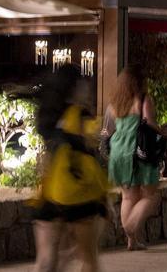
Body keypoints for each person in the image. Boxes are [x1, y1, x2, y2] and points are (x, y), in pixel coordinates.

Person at [33, 64, 108, 271]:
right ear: (74, 86)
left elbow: (47, 161)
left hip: (50, 195)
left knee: (46, 259)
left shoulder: (49, 116)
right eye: (83, 82)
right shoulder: (80, 114)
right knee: (89, 259)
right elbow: (92, 148)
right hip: (79, 194)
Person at [103, 64, 161, 250]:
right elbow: (150, 125)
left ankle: (132, 241)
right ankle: (129, 227)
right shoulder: (142, 99)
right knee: (152, 196)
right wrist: (166, 133)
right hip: (138, 151)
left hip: (118, 151)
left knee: (128, 197)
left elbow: (107, 131)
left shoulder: (114, 104)